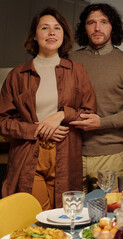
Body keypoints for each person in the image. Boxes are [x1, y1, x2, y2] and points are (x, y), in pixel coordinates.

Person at [0, 8, 96, 210]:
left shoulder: (77, 71)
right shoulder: (17, 75)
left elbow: (89, 113)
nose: (52, 33)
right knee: (36, 215)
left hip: (66, 154)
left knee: (64, 215)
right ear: (35, 36)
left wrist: (61, 115)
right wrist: (37, 129)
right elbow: (2, 122)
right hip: (28, 156)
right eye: (45, 28)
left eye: (57, 28)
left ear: (63, 35)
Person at [69, 3, 123, 193]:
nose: (97, 28)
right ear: (84, 27)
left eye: (103, 22)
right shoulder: (69, 60)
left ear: (112, 26)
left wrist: (102, 123)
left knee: (108, 218)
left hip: (110, 156)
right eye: (91, 22)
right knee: (71, 215)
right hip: (71, 154)